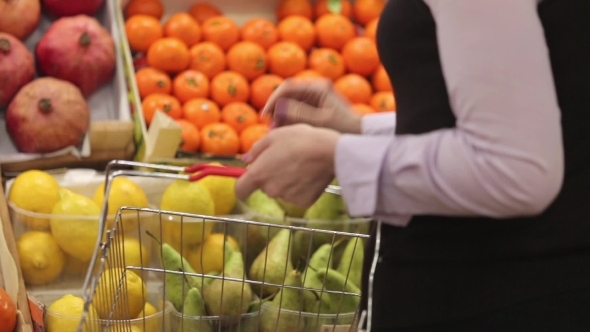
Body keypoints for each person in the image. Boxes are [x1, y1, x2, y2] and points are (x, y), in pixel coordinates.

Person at [235, 0, 590, 330]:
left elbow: (516, 168)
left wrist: (338, 154)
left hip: (492, 289)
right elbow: (539, 115)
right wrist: (359, 129)